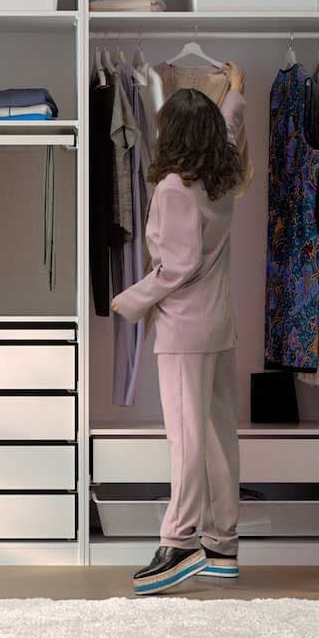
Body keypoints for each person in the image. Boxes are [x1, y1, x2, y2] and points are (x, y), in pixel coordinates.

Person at [112, 62, 247, 596]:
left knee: (187, 438)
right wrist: (234, 96)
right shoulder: (222, 178)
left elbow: (176, 267)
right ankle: (221, 543)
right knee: (216, 436)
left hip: (185, 330)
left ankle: (180, 539)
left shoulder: (173, 187)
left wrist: (130, 300)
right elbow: (230, 135)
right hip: (218, 325)